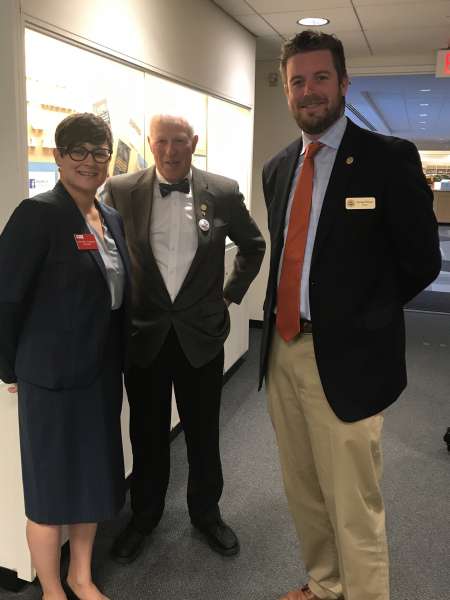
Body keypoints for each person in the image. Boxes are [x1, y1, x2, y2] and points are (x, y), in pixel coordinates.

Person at [259, 30, 441, 600]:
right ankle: (324, 582)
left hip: (348, 360)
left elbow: (420, 262)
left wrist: (364, 319)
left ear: (343, 82)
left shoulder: (388, 159)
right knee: (305, 490)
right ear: (286, 91)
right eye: (297, 81)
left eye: (319, 78)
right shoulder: (279, 167)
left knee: (354, 503)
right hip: (283, 351)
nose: (308, 91)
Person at [103, 114, 265, 562]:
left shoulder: (224, 191)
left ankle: (206, 513)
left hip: (201, 335)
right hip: (146, 336)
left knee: (203, 432)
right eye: (161, 142)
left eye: (179, 141)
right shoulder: (120, 190)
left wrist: (229, 296)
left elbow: (254, 246)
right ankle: (144, 516)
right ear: (150, 144)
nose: (170, 151)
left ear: (194, 142)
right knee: (148, 433)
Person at [0, 113, 131, 600]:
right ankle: (53, 589)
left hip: (99, 375)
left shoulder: (109, 217)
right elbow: (5, 298)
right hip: (50, 380)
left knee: (92, 480)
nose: (90, 162)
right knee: (50, 489)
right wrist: (10, 366)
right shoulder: (37, 215)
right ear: (57, 157)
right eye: (77, 151)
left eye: (100, 152)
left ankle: (81, 575)